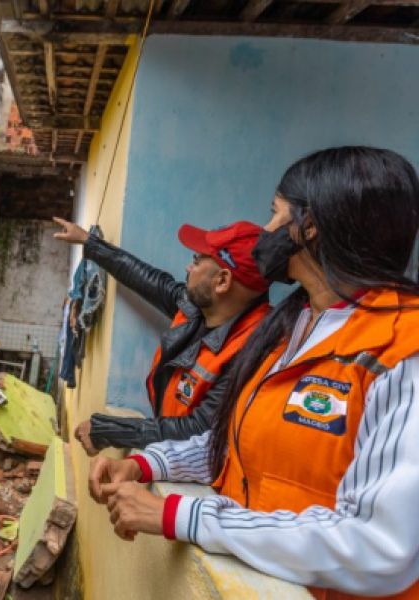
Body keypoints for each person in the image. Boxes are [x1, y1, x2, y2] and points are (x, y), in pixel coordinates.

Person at [89, 146, 419, 599]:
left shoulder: (402, 350)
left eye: (274, 214)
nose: (264, 232)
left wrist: (180, 515)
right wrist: (147, 463)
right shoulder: (292, 327)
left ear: (309, 226)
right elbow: (234, 443)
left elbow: (378, 546)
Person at [53, 217, 270, 454]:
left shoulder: (253, 352)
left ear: (222, 281)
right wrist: (90, 243)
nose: (188, 268)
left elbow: (198, 430)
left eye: (196, 261)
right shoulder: (197, 308)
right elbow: (148, 280)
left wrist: (106, 431)